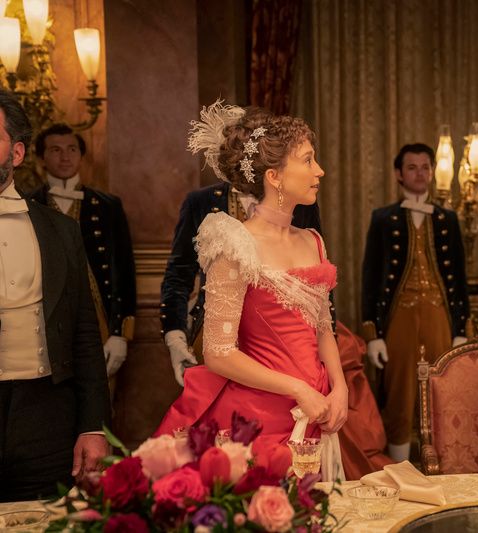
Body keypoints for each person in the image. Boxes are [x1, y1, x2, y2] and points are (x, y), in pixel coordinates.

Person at [155, 104, 347, 479]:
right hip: (259, 417)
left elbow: (323, 327)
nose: (319, 170)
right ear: (274, 177)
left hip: (315, 409)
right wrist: (298, 389)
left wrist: (339, 387)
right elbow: (219, 353)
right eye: (308, 160)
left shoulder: (313, 241)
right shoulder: (235, 244)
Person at [0, 90, 110, 501]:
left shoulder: (60, 230)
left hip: (46, 414)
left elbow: (84, 332)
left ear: (17, 152)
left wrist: (93, 425)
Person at [160, 118, 323, 386]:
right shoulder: (200, 202)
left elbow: (316, 284)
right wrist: (175, 336)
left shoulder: (302, 202)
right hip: (216, 335)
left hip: (283, 344)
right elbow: (179, 272)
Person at [361, 143, 469, 462]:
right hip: (399, 319)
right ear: (398, 174)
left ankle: (441, 464)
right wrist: (373, 335)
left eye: (425, 167)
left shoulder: (447, 219)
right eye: (412, 167)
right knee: (399, 394)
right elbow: (370, 277)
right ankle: (398, 468)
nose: (420, 173)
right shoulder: (384, 218)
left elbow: (459, 279)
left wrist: (461, 329)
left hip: (439, 316)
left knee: (441, 393)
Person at [27, 124, 136, 378]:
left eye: (72, 149)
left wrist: (121, 334)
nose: (65, 157)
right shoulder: (28, 204)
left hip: (99, 319)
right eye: (55, 150)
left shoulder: (108, 206)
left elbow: (124, 270)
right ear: (42, 158)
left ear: (81, 155)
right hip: (44, 321)